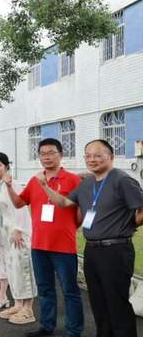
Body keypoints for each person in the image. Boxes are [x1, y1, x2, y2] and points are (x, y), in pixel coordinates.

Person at [37, 139, 143, 337]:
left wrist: (129, 225)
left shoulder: (122, 179)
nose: (92, 159)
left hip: (116, 250)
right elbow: (63, 202)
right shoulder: (86, 185)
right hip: (92, 250)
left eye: (98, 155)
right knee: (98, 302)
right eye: (88, 156)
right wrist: (44, 186)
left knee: (116, 302)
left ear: (111, 157)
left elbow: (140, 208)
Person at [4, 138, 83, 337]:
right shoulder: (34, 180)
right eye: (43, 153)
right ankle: (47, 326)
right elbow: (19, 203)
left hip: (64, 246)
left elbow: (79, 210)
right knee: (45, 288)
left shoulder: (72, 180)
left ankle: (74, 330)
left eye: (51, 152)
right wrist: (9, 187)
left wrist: (73, 227)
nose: (47, 157)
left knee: (70, 290)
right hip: (39, 244)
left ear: (61, 154)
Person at [0, 153, 37, 324]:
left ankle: (28, 309)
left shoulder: (13, 184)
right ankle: (17, 304)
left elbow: (20, 208)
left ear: (7, 166)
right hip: (5, 233)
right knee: (12, 269)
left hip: (18, 233)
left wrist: (18, 229)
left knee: (23, 269)